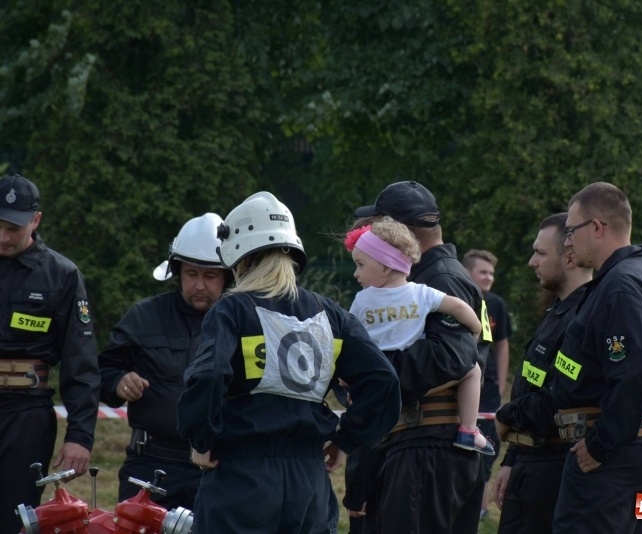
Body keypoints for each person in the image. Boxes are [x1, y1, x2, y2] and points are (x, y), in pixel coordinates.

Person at [176, 191, 401, 534]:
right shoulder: (331, 315)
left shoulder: (232, 310)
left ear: (237, 253)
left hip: (242, 478)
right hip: (309, 483)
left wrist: (201, 439)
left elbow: (209, 375)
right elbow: (384, 380)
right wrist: (346, 440)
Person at [352, 180, 486, 534]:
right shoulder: (413, 281)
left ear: (399, 232)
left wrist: (370, 377)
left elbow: (451, 357)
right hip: (417, 446)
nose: (370, 233)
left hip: (428, 447)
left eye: (377, 226)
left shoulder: (440, 279)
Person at [549, 182, 642, 533]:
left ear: (596, 227)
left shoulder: (620, 285)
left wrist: (600, 444)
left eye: (571, 230)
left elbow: (637, 372)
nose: (568, 241)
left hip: (616, 451)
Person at [98, 213, 230, 510]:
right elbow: (102, 371)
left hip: (218, 468)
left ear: (227, 276)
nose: (199, 285)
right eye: (191, 274)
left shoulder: (242, 322)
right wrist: (118, 381)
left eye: (210, 276)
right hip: (149, 465)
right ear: (177, 272)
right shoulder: (144, 316)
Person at [0, 174, 100, 534]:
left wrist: (80, 436)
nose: (3, 237)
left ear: (36, 220)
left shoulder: (61, 276)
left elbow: (81, 361)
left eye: (13, 228)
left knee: (14, 520)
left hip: (25, 418)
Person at [345, 219, 493, 454]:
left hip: (375, 369)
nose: (356, 273)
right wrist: (476, 329)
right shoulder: (421, 293)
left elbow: (350, 337)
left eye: (360, 265)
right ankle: (469, 430)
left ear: (385, 266)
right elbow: (458, 307)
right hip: (411, 369)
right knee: (472, 370)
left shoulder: (361, 300)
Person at [493, 213, 592, 534]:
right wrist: (512, 459)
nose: (531, 262)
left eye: (540, 253)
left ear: (570, 257)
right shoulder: (557, 310)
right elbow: (531, 386)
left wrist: (506, 416)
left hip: (557, 464)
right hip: (529, 459)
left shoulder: (584, 317)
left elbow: (557, 398)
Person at [461, 249, 512, 518]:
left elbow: (502, 345)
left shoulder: (495, 304)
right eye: (483, 272)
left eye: (491, 273)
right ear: (468, 273)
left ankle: (480, 509)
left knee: (488, 446)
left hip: (488, 389)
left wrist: (501, 384)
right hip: (461, 386)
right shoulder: (455, 299)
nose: (489, 277)